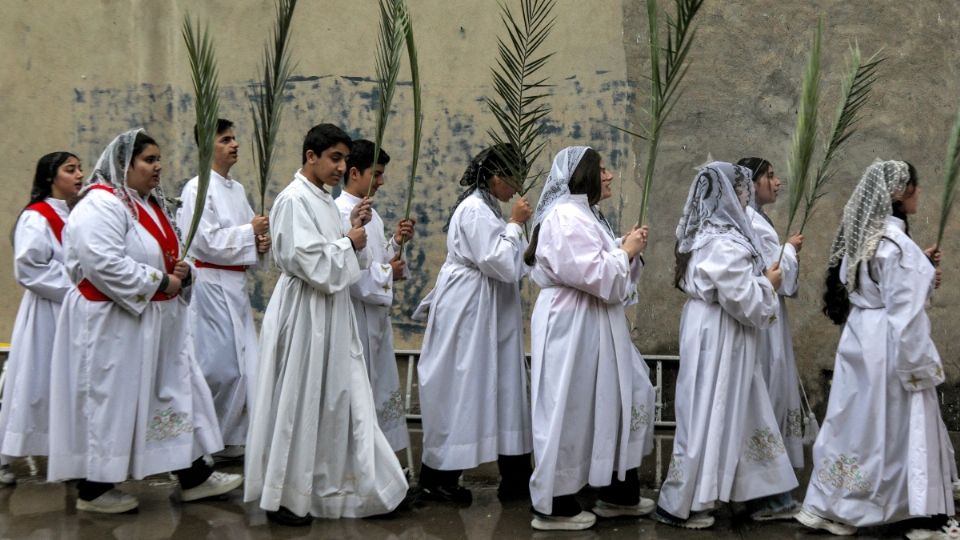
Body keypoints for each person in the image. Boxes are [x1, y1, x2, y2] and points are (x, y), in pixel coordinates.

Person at [46, 129, 241, 514]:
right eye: (149, 160)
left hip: (152, 323)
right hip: (112, 326)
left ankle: (193, 476)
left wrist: (182, 272)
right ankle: (94, 488)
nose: (159, 167)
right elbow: (103, 263)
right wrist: (161, 281)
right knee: (114, 403)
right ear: (124, 164)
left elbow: (161, 250)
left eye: (158, 159)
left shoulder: (143, 203)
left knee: (170, 397)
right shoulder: (99, 204)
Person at [244, 123, 408, 525]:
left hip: (331, 313)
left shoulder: (320, 198)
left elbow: (341, 259)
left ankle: (350, 486)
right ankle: (285, 497)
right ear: (310, 156)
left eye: (344, 159)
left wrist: (350, 228)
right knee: (299, 401)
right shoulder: (293, 199)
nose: (341, 166)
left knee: (340, 398)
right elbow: (309, 262)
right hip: (305, 312)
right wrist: (349, 241)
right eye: (334, 158)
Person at [797, 160, 957, 538]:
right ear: (901, 193)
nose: (920, 194)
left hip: (859, 340)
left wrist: (922, 271)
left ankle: (832, 505)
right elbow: (905, 314)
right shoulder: (897, 246)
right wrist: (920, 366)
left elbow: (874, 290)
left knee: (853, 425)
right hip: (890, 345)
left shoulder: (863, 240)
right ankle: (915, 514)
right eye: (916, 187)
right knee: (898, 427)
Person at [654, 162, 797, 529]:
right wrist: (768, 283)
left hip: (713, 330)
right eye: (743, 189)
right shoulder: (725, 241)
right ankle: (684, 501)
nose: (748, 194)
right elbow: (741, 298)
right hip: (722, 333)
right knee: (709, 410)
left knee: (735, 408)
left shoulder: (703, 234)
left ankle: (756, 491)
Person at [523, 146, 656, 531]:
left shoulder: (586, 214)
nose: (610, 175)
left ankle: (617, 491)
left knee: (619, 397)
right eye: (602, 169)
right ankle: (556, 503)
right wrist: (624, 253)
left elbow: (600, 267)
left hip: (595, 323)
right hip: (573, 324)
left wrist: (624, 250)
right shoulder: (565, 215)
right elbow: (593, 274)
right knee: (571, 404)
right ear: (583, 175)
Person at [412, 144, 533, 506]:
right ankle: (439, 479)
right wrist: (514, 225)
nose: (517, 189)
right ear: (496, 178)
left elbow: (512, 263)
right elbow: (498, 262)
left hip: (486, 307)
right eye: (513, 180)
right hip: (469, 310)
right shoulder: (476, 210)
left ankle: (515, 477)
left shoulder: (486, 208)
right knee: (460, 387)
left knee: (502, 387)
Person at [177, 119, 271, 460]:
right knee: (217, 368)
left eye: (235, 138)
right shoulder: (197, 189)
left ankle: (228, 437)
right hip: (210, 286)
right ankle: (199, 442)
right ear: (207, 147)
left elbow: (249, 236)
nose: (234, 144)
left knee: (245, 368)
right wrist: (250, 232)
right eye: (225, 139)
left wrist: (261, 241)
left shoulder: (236, 189)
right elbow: (204, 241)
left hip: (234, 286)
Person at [0, 152, 84, 484]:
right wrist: (78, 289)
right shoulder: (36, 217)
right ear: (51, 177)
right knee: (34, 383)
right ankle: (6, 453)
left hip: (75, 310)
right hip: (48, 312)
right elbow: (29, 268)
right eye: (70, 169)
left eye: (80, 169)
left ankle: (69, 455)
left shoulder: (76, 215)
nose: (79, 175)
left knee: (69, 383)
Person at [334, 139, 414, 453]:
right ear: (354, 173)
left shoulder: (372, 214)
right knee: (361, 391)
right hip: (355, 317)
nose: (381, 181)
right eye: (376, 174)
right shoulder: (341, 214)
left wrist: (395, 243)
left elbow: (376, 259)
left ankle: (382, 462)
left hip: (376, 319)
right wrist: (387, 274)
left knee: (379, 390)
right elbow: (348, 273)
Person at [736, 157, 804, 520]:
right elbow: (773, 273)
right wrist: (790, 249)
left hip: (765, 318)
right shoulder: (752, 223)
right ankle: (769, 495)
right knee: (770, 395)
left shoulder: (750, 219)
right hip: (765, 320)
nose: (776, 183)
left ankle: (765, 490)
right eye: (770, 176)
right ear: (752, 182)